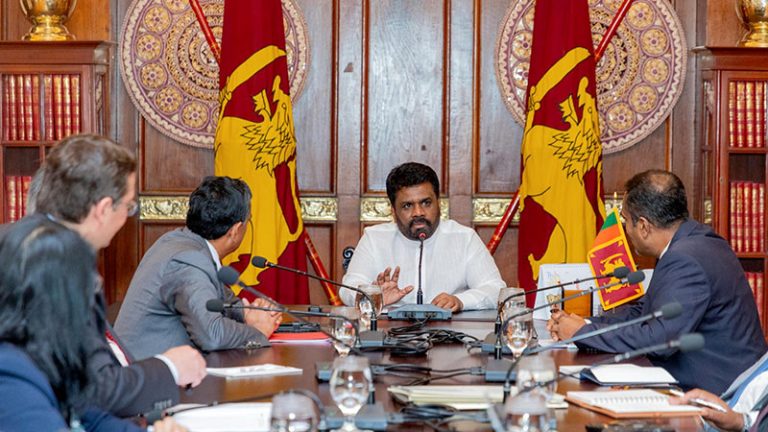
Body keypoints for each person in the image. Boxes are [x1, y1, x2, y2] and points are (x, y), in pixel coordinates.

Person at [26, 134, 207, 417]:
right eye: (128, 206)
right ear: (101, 210)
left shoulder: (35, 248)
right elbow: (96, 390)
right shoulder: (58, 270)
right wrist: (169, 367)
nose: (127, 217)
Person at [547, 169, 767, 394]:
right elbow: (645, 312)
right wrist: (584, 324)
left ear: (643, 226)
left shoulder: (684, 258)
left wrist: (582, 334)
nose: (624, 229)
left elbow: (659, 340)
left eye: (625, 219)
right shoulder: (696, 242)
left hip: (724, 395)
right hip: (713, 382)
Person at [0, 217, 185, 431]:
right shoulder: (9, 371)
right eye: (86, 282)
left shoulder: (53, 351)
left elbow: (93, 419)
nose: (95, 290)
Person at [115, 176, 281, 360]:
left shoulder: (181, 242)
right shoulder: (189, 261)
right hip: (146, 378)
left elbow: (215, 297)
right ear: (235, 230)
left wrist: (246, 311)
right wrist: (256, 330)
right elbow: (212, 336)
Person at [341, 162, 505, 312]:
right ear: (393, 210)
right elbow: (348, 288)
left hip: (449, 338)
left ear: (438, 202)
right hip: (390, 336)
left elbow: (495, 289)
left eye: (426, 203)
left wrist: (460, 301)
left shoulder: (464, 238)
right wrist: (374, 296)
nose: (418, 212)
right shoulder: (374, 239)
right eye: (407, 206)